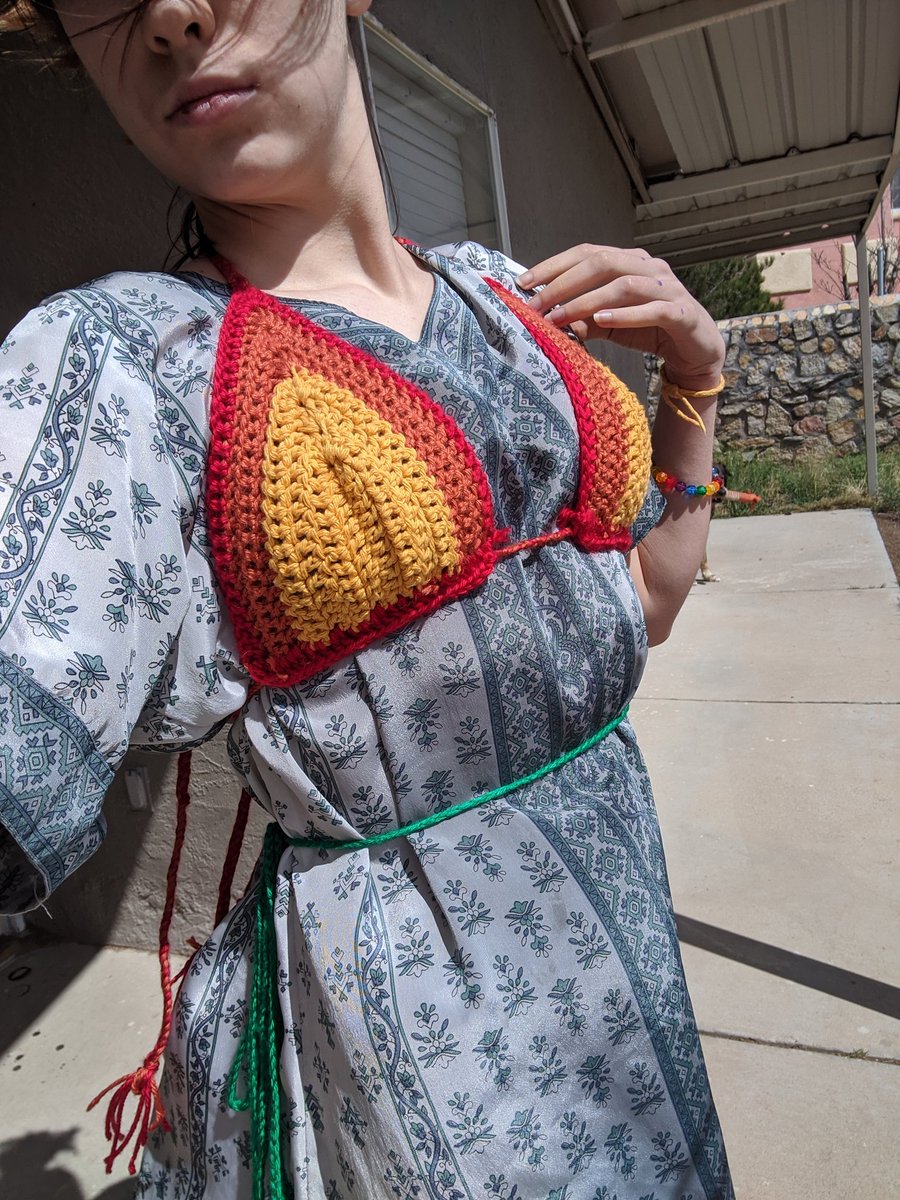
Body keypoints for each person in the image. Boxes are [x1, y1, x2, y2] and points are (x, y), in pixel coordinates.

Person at [0, 1, 735, 1196]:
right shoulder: (124, 364)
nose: (173, 19)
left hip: (625, 1005)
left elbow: (644, 605)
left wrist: (695, 383)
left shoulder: (509, 298)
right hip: (434, 1073)